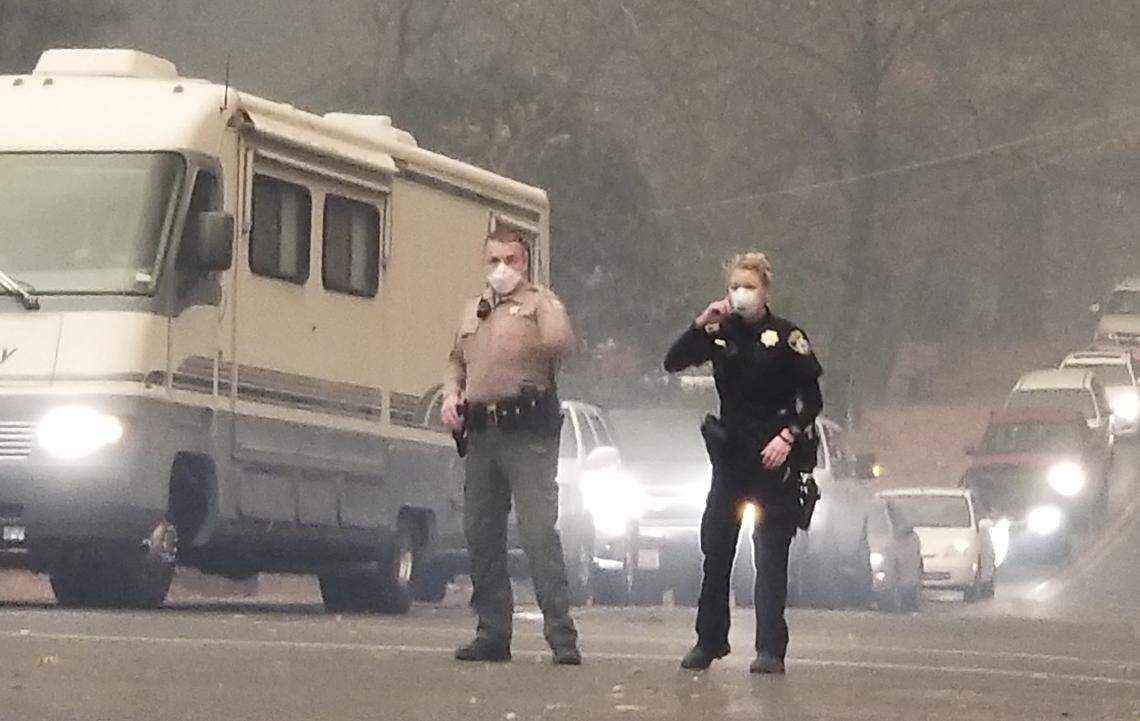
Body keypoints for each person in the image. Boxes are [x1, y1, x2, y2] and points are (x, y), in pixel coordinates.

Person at [664, 252, 823, 675]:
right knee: (716, 549)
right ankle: (709, 639)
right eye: (735, 286)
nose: (741, 294)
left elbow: (812, 398)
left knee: (770, 553)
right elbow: (673, 361)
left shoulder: (787, 337)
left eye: (749, 286)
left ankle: (770, 647)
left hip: (772, 453)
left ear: (765, 289)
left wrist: (788, 436)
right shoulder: (719, 332)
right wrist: (700, 323)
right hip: (731, 453)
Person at [441, 226, 582, 666]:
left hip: (528, 433)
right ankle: (492, 632)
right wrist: (451, 394)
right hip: (482, 433)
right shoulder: (473, 311)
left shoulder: (540, 304)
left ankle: (561, 634)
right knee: (481, 535)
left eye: (511, 260)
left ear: (525, 263)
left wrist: (545, 309)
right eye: (494, 260)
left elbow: (562, 344)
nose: (501, 269)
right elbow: (455, 361)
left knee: (538, 532)